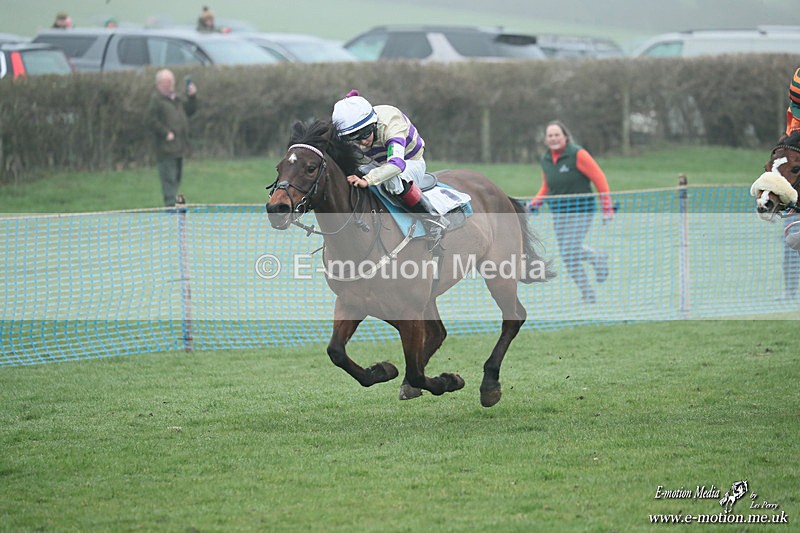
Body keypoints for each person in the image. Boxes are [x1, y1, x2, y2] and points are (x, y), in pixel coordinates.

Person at [331, 90, 448, 244]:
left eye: (364, 135)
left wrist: (368, 179)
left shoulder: (392, 123)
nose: (362, 142)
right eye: (354, 138)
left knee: (391, 180)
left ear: (372, 124)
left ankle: (433, 219)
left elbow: (396, 165)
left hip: (409, 162)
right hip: (377, 163)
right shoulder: (355, 124)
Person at [529, 120, 613, 304]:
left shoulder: (578, 154)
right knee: (568, 255)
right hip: (559, 213)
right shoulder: (545, 159)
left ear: (565, 137)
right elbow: (547, 186)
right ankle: (588, 293)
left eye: (557, 135)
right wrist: (535, 204)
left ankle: (597, 257)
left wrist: (607, 208)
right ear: (546, 139)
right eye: (550, 135)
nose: (553, 138)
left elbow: (600, 179)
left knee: (569, 249)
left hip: (581, 210)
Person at [145, 69, 198, 207]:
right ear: (159, 84)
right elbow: (149, 120)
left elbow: (190, 111)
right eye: (168, 82)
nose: (171, 84)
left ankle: (174, 208)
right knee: (169, 182)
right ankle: (170, 210)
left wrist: (192, 97)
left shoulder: (176, 99)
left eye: (172, 81)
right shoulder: (156, 101)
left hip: (179, 148)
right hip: (166, 149)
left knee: (176, 180)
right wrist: (165, 133)